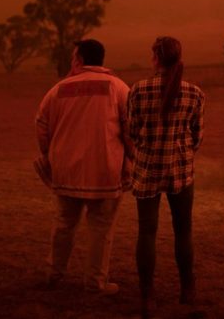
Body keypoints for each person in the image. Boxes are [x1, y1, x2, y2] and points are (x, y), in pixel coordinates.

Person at [35, 39, 131, 295]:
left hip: (66, 171)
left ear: (78, 59)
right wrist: (130, 160)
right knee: (101, 229)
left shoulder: (59, 89)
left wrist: (48, 154)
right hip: (105, 172)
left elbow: (41, 125)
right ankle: (95, 283)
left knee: (64, 224)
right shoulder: (118, 87)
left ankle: (54, 275)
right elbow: (131, 129)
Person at [126, 36, 205, 317]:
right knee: (183, 231)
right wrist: (181, 153)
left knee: (146, 232)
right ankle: (187, 290)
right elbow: (197, 137)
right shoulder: (194, 93)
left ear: (156, 58)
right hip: (181, 172)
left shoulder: (138, 90)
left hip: (147, 170)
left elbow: (133, 133)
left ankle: (147, 296)